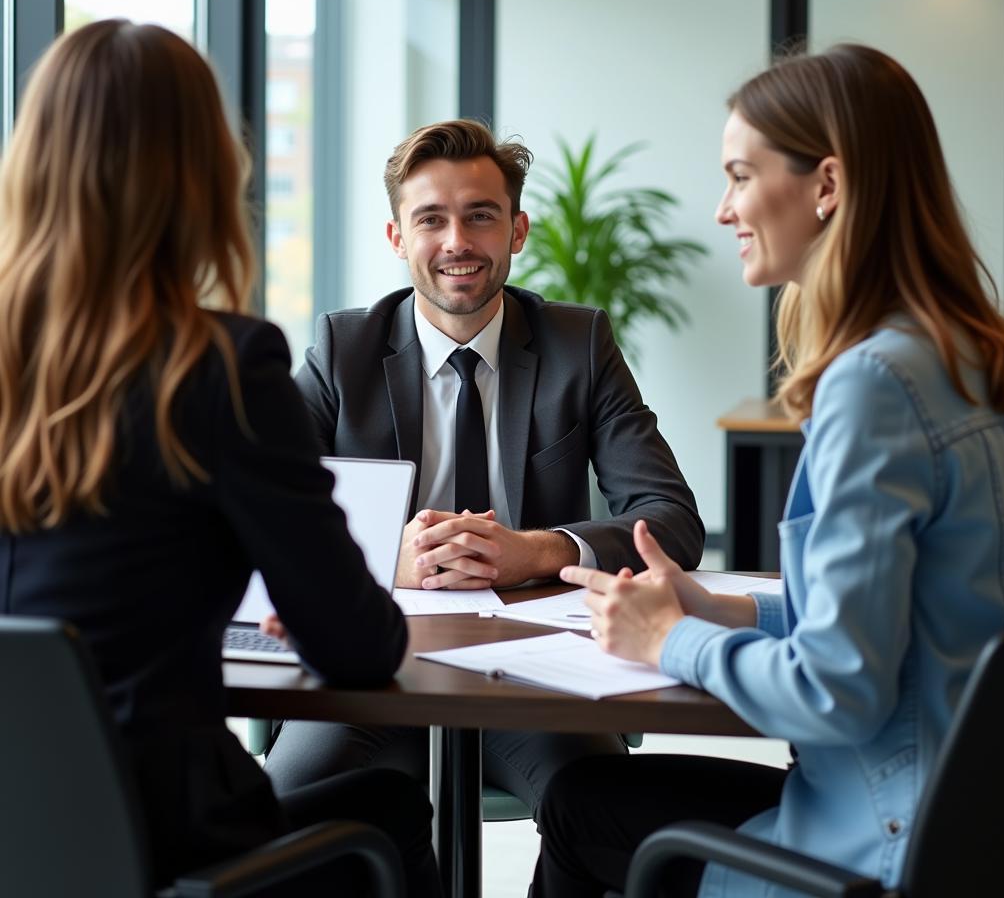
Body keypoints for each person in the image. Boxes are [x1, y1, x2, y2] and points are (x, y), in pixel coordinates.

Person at [530, 43, 1004, 897]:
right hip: (974, 825)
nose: (723, 209)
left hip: (874, 843)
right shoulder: (978, 358)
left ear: (826, 186)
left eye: (739, 175)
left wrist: (669, 640)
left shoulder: (874, 385)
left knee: (580, 808)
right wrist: (722, 605)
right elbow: (916, 609)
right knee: (587, 791)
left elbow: (839, 691)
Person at [0, 20, 442, 896]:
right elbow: (359, 645)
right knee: (388, 808)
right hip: (160, 845)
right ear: (200, 178)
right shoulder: (219, 367)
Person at [263, 118, 705, 814]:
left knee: (606, 818)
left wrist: (535, 551)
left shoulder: (578, 344)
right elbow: (264, 523)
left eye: (480, 217)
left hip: (538, 679)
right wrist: (385, 559)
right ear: (397, 237)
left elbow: (672, 522)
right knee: (282, 815)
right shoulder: (341, 349)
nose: (457, 243)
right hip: (376, 672)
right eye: (430, 219)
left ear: (517, 231)